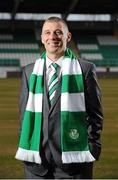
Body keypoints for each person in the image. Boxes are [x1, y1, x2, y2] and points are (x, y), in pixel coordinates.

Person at [15, 16, 103, 179]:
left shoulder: (85, 69)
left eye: (58, 32)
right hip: (36, 163)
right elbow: (23, 115)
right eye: (47, 33)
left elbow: (95, 115)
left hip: (74, 162)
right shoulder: (29, 71)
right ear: (42, 38)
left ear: (67, 36)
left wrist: (92, 147)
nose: (52, 37)